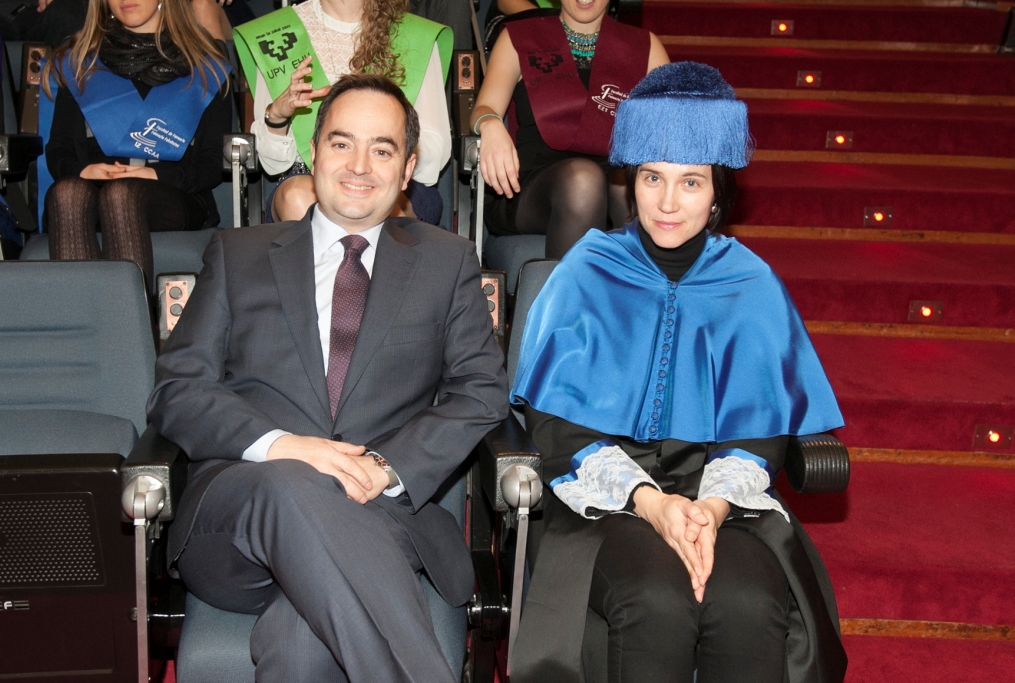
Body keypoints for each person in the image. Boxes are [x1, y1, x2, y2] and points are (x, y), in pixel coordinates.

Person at [147, 73, 510, 682]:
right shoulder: (238, 254)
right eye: (342, 143)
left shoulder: (446, 262)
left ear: (408, 168)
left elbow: (481, 392)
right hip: (240, 519)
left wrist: (386, 467)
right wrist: (285, 448)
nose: (359, 166)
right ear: (314, 151)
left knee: (303, 639)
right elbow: (177, 390)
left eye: (382, 149)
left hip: (378, 515)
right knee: (290, 483)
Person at [508, 62, 849, 683]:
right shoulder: (588, 270)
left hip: (722, 498)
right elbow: (557, 427)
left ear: (717, 191)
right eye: (652, 178)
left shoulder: (750, 283)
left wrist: (708, 509)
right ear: (630, 182)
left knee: (747, 601)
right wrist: (652, 503)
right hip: (606, 498)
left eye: (690, 182)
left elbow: (760, 427)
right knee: (656, 600)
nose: (667, 203)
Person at [40, 0, 231, 286]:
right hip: (94, 189)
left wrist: (153, 174)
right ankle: (82, 313)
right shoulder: (81, 64)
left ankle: (129, 314)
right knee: (66, 193)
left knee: (121, 194)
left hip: (175, 193)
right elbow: (59, 150)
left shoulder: (206, 67)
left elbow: (213, 162)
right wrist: (84, 171)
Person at [470, 0, 667, 258]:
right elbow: (484, 107)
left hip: (615, 182)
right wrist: (490, 123)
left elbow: (668, 129)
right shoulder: (520, 37)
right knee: (583, 180)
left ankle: (648, 283)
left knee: (630, 185)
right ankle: (571, 287)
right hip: (533, 186)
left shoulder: (645, 46)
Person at [234, 0, 452, 225]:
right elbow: (274, 165)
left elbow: (433, 154)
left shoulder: (416, 35)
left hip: (393, 180)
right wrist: (278, 118)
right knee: (297, 198)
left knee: (381, 205)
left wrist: (382, 148)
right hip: (307, 177)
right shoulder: (274, 32)